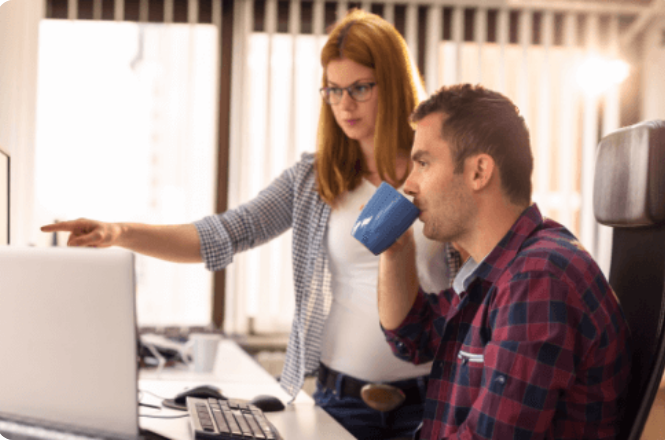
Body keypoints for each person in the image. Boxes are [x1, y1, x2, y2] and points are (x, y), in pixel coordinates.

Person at [41, 10, 461, 440]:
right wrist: (120, 233)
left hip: (434, 398)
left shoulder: (439, 172)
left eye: (359, 88)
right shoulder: (314, 179)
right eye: (333, 90)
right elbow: (223, 234)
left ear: (392, 83)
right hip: (341, 399)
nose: (344, 105)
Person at [377, 84, 631, 440]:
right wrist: (395, 252)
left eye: (423, 163)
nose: (409, 184)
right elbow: (413, 336)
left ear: (479, 172)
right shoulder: (499, 273)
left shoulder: (538, 279)